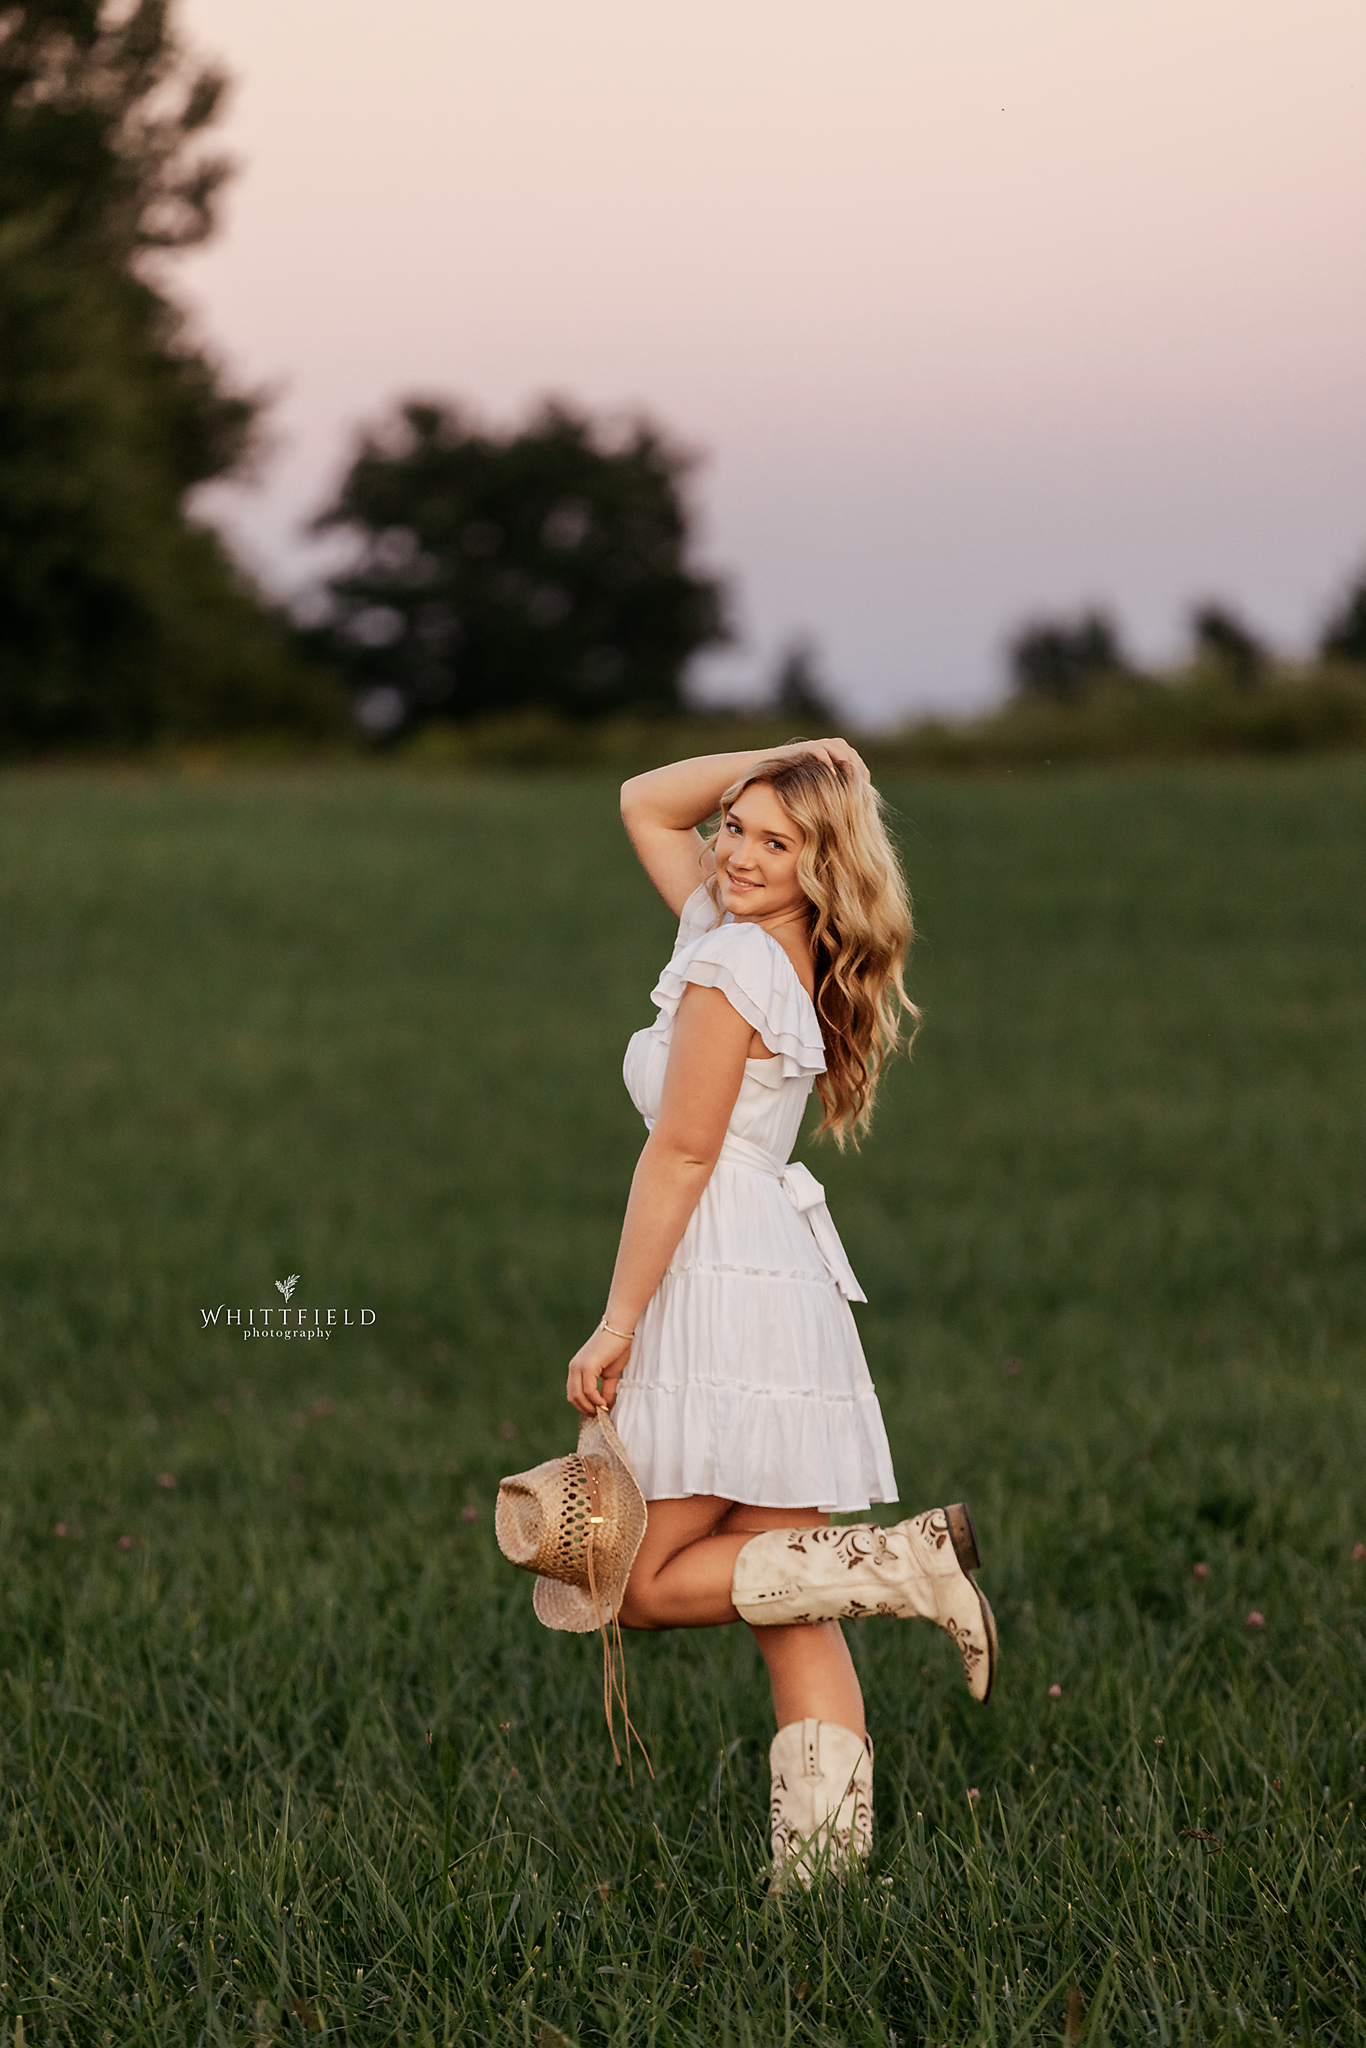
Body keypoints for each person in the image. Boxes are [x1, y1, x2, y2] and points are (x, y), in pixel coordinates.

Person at [565, 740, 996, 1884]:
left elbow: (684, 1149)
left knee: (641, 1585)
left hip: (720, 1277)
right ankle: (820, 1893)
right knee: (794, 1603)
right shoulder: (758, 939)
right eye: (737, 827)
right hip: (774, 1277)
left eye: (775, 839)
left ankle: (899, 1562)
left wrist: (617, 1320)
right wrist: (787, 762)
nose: (737, 851)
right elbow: (643, 801)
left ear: (822, 868)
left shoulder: (733, 964)